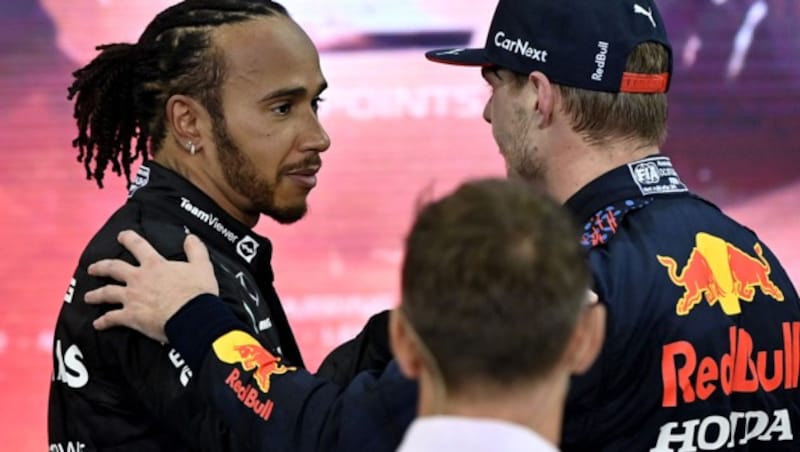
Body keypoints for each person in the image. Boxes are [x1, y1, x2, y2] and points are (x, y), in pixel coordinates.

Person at [423, 0, 800, 450]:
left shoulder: (569, 286)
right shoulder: (764, 267)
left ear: (539, 97)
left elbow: (362, 428)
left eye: (496, 87)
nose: (489, 114)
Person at [48, 1, 403, 451]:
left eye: (315, 103)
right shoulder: (157, 261)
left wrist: (410, 334)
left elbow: (291, 414)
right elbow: (283, 439)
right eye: (282, 108)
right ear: (189, 122)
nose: (318, 136)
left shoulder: (200, 241)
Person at [85, 178, 604, 452]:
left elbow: (303, 421)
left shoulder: (345, 431)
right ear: (588, 338)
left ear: (402, 340)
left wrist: (195, 318)